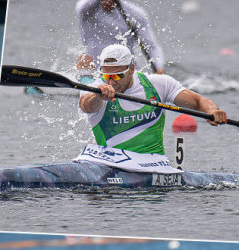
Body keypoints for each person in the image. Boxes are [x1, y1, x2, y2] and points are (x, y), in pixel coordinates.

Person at [77, 43, 226, 167]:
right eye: (106, 76)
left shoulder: (159, 84)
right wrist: (98, 95)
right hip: (111, 165)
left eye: (117, 75)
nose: (111, 82)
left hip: (153, 165)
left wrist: (213, 111)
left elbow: (198, 102)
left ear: (132, 69)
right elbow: (86, 106)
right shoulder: (96, 88)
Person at [76, 0, 166, 74]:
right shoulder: (85, 10)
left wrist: (158, 68)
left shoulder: (135, 14)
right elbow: (83, 8)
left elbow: (151, 47)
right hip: (94, 71)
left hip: (126, 72)